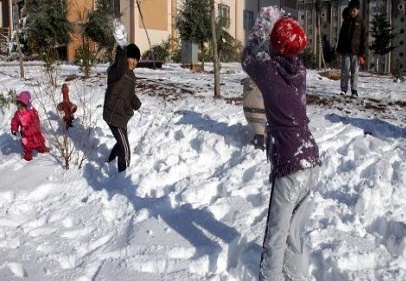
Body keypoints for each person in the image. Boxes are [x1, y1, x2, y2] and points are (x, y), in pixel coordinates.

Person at [241, 6, 322, 281]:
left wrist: (263, 24)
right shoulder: (299, 70)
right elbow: (284, 48)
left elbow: (247, 57)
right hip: (310, 159)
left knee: (275, 236)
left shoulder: (269, 72)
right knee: (293, 235)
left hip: (290, 163)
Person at [103, 19, 142, 173]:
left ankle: (109, 161)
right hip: (113, 115)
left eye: (136, 60)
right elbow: (120, 62)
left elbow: (130, 95)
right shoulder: (118, 70)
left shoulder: (132, 77)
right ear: (127, 57)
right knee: (125, 147)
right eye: (132, 57)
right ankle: (122, 174)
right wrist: (122, 47)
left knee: (121, 143)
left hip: (121, 115)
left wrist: (138, 106)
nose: (134, 62)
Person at [336, 0, 367, 97]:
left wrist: (362, 54)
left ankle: (354, 90)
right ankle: (343, 90)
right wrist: (339, 50)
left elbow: (364, 39)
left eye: (354, 10)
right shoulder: (346, 22)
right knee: (344, 71)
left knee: (355, 72)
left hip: (356, 52)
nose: (352, 12)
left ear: (358, 10)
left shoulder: (362, 22)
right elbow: (341, 37)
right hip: (346, 50)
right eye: (350, 10)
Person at [11, 91, 50, 161]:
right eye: (18, 108)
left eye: (22, 108)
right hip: (25, 136)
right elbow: (15, 121)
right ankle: (28, 155)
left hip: (34, 133)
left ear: (27, 107)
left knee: (39, 143)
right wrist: (14, 129)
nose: (20, 110)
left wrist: (28, 131)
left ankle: (42, 149)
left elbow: (35, 123)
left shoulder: (32, 112)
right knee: (27, 147)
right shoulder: (18, 114)